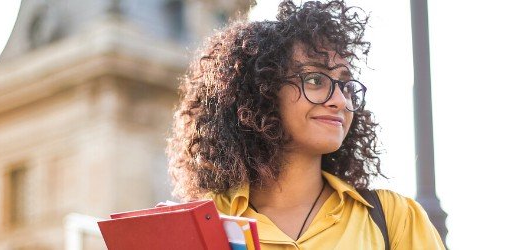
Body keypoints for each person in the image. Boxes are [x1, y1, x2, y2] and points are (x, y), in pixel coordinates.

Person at [167, 0, 445, 249]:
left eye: (345, 85)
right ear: (262, 92)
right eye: (315, 80)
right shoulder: (203, 223)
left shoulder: (394, 218)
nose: (339, 100)